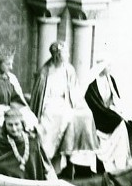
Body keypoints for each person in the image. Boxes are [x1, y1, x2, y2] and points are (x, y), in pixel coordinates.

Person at [30, 41, 98, 172]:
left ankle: (77, 158)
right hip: (49, 103)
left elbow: (74, 90)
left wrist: (78, 103)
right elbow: (40, 96)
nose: (67, 55)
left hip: (66, 101)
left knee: (85, 115)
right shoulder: (45, 72)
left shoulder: (69, 69)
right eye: (64, 53)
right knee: (61, 116)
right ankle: (49, 157)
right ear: (57, 55)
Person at [0, 108, 56, 181]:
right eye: (10, 125)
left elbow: (42, 165)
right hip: (9, 183)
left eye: (17, 124)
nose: (14, 129)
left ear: (22, 124)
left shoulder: (31, 140)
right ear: (5, 124)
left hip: (31, 184)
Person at [84, 57, 132, 142]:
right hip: (98, 115)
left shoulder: (110, 79)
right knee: (120, 124)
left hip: (107, 111)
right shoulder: (92, 84)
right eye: (109, 66)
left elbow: (115, 99)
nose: (110, 68)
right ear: (102, 66)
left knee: (127, 122)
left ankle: (121, 154)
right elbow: (95, 106)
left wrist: (120, 111)